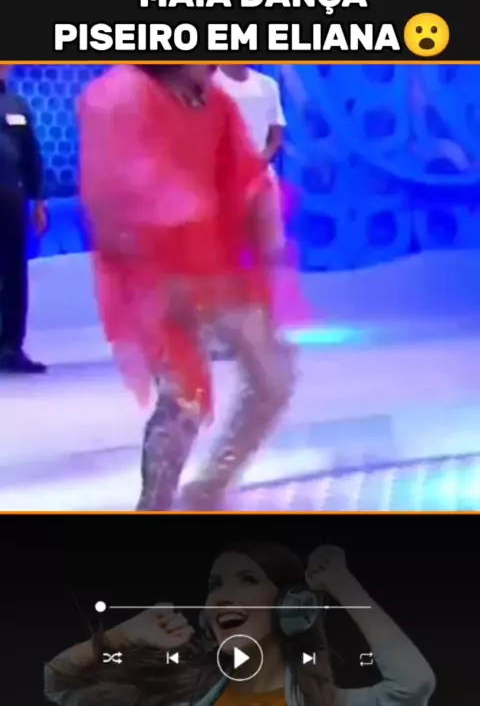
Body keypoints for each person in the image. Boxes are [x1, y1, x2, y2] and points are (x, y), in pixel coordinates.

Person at [77, 65, 296, 512]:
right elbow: (114, 193)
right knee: (184, 399)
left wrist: (262, 213)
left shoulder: (214, 102)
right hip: (154, 277)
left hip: (216, 270)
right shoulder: (120, 96)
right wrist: (161, 258)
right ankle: (154, 507)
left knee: (272, 375)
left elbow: (245, 173)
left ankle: (206, 491)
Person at [45, 543, 436, 706]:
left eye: (247, 580)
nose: (222, 597)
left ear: (291, 607)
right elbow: (57, 682)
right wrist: (125, 634)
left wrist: (342, 584)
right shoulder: (181, 696)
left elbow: (413, 684)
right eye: (215, 586)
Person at [0, 65, 48, 373]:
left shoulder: (16, 104)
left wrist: (38, 199)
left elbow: (31, 154)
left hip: (10, 198)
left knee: (14, 272)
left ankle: (10, 348)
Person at [214, 66, 286, 256]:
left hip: (261, 180)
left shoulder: (267, 85)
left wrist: (260, 160)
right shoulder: (209, 83)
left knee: (269, 250)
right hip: (220, 180)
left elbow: (276, 134)